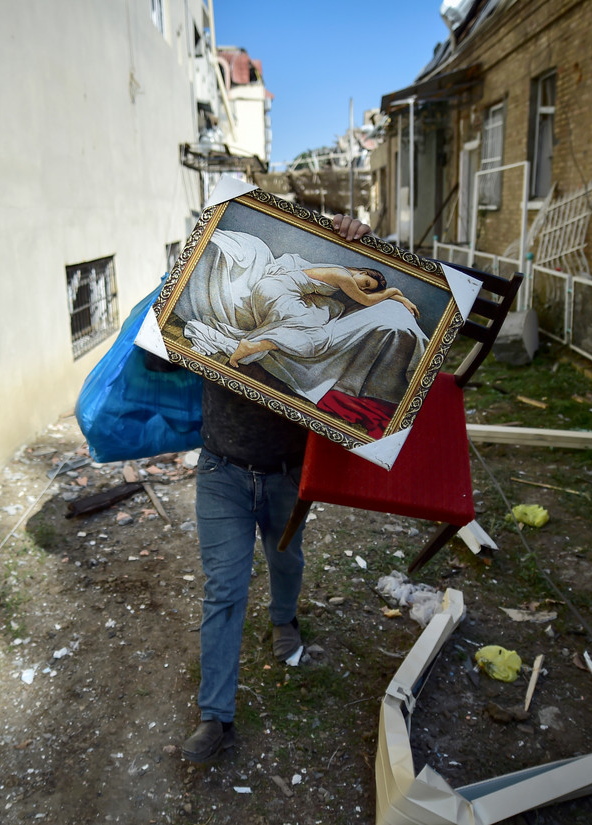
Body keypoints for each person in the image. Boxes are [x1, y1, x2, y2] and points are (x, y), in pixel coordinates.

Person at [181, 214, 370, 763]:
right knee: (224, 590)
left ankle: (284, 619)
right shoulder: (219, 295)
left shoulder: (326, 326)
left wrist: (360, 246)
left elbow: (371, 289)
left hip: (289, 470)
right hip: (222, 471)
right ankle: (215, 717)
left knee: (286, 560)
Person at [173, 228, 429, 437]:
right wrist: (395, 294)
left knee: (316, 322)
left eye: (367, 287)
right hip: (274, 292)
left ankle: (252, 344)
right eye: (365, 282)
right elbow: (366, 301)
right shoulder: (343, 275)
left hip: (273, 290)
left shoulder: (336, 274)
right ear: (359, 272)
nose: (362, 287)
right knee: (317, 340)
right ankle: (250, 346)